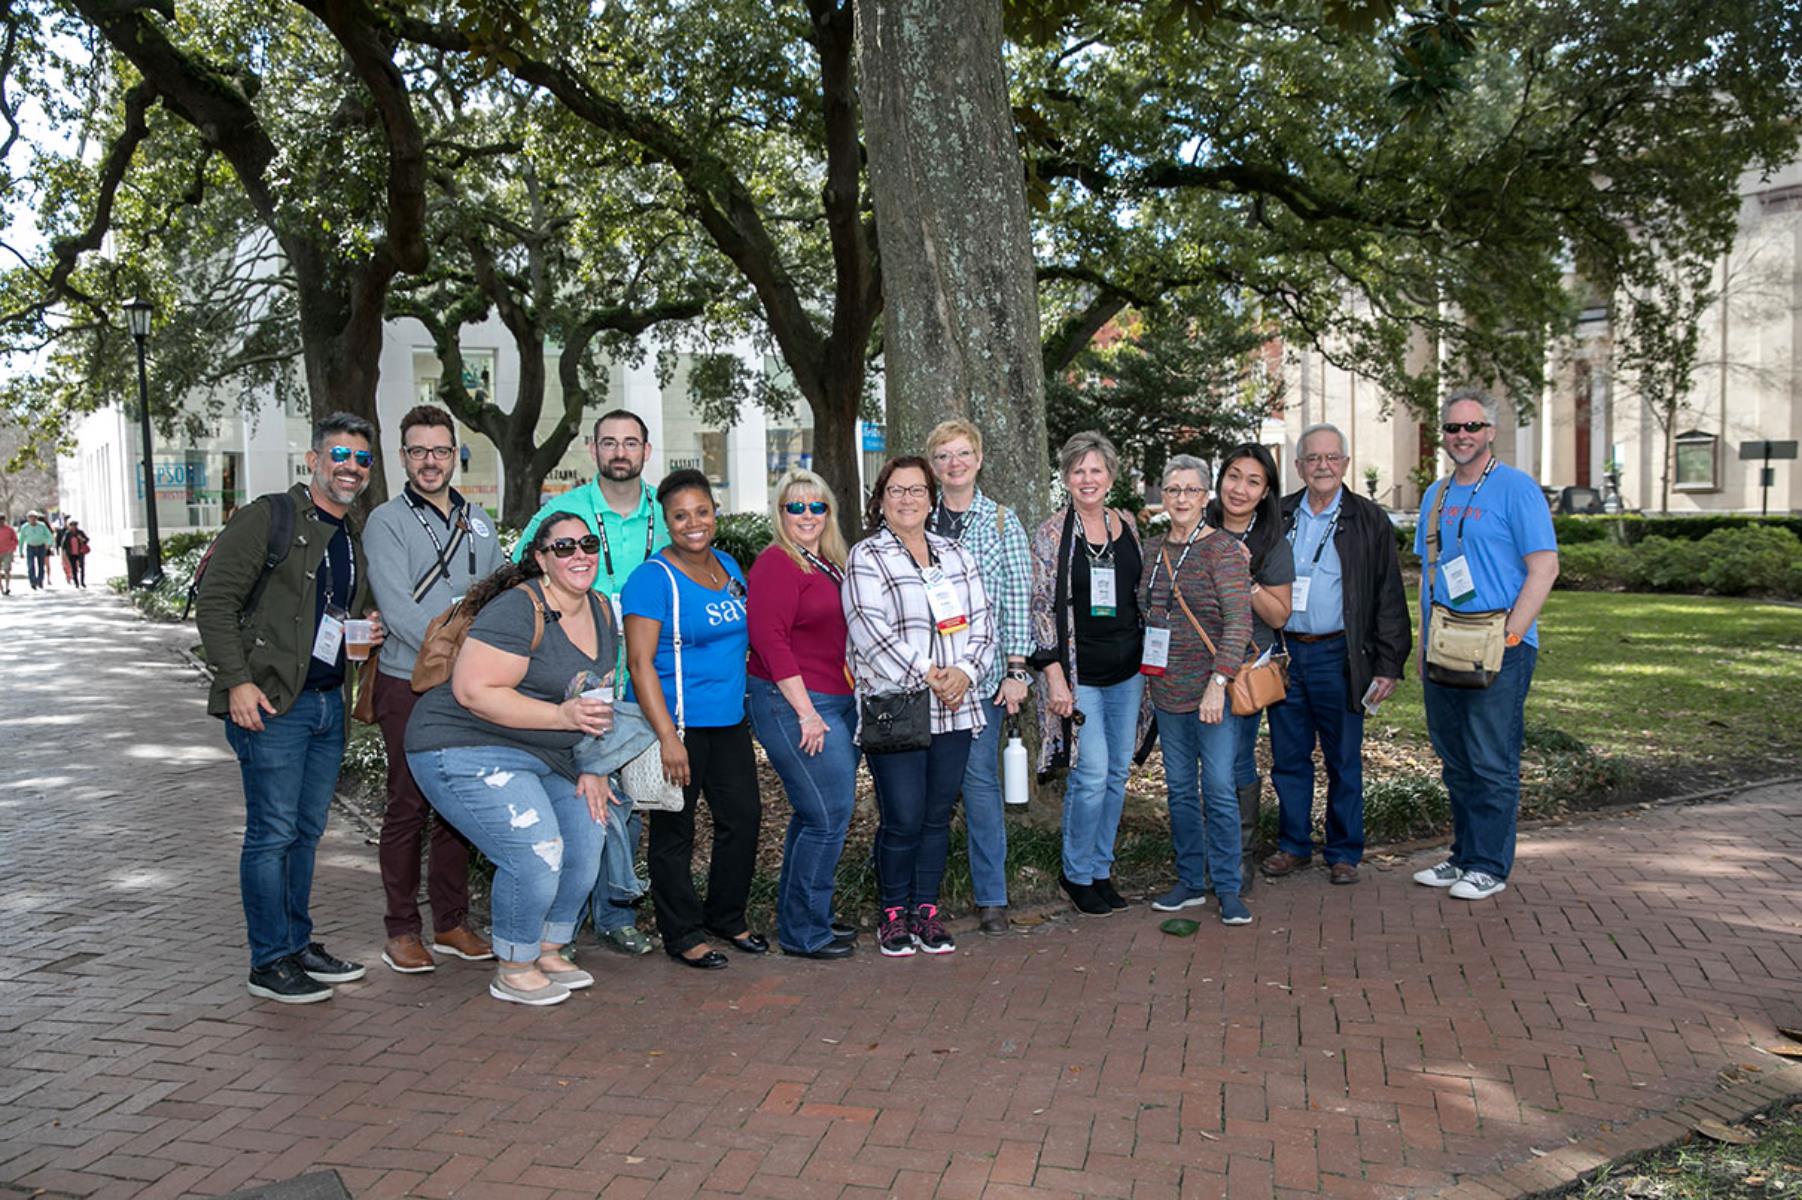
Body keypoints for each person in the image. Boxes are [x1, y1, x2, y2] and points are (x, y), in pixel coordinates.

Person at [195, 412, 386, 1004]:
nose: (351, 468)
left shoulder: (350, 534)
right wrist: (236, 683)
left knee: (306, 833)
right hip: (272, 704)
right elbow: (215, 601)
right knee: (271, 834)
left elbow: (325, 613)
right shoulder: (269, 516)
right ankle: (268, 959)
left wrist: (365, 628)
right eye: (340, 456)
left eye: (362, 460)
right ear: (314, 460)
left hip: (328, 703)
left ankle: (297, 944)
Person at [405, 515, 618, 1006]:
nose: (579, 554)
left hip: (547, 750)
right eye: (563, 547)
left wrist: (594, 765)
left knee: (587, 838)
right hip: (463, 743)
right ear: (541, 559)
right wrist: (563, 715)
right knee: (535, 850)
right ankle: (515, 964)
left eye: (587, 543)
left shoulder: (603, 609)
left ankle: (547, 947)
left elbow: (597, 698)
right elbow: (472, 690)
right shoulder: (519, 609)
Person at [517, 409, 668, 957]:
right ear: (592, 448)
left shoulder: (665, 513)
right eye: (610, 443)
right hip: (575, 686)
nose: (620, 452)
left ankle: (614, 913)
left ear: (647, 451)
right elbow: (524, 582)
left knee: (626, 806)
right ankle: (565, 919)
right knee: (579, 799)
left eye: (631, 443)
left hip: (645, 682)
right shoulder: (564, 513)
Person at [363, 405, 503, 974]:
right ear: (403, 458)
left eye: (440, 450)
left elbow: (499, 591)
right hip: (410, 681)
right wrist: (465, 650)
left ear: (455, 454)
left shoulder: (481, 520)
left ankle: (450, 921)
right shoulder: (385, 522)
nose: (430, 461)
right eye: (418, 451)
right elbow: (398, 610)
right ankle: (401, 928)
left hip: (469, 686)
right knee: (408, 805)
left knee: (458, 807)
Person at [1412, 389, 1559, 901]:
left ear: (1490, 432)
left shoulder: (1517, 490)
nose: (1462, 436)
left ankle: (1490, 866)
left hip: (1500, 643)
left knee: (1491, 759)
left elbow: (1545, 568)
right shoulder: (1436, 495)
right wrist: (1423, 638)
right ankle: (1462, 856)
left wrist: (1512, 635)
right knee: (1455, 757)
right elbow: (1430, 573)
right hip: (1446, 642)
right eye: (1453, 428)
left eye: (1472, 427)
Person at [845, 456, 995, 957]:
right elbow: (868, 630)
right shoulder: (867, 556)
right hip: (899, 708)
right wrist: (931, 674)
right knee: (903, 817)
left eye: (916, 490)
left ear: (931, 498)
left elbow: (983, 625)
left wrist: (965, 675)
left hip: (955, 705)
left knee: (935, 816)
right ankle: (892, 914)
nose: (907, 499)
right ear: (881, 499)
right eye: (896, 491)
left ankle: (925, 912)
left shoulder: (958, 556)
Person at [1261, 424, 1412, 886]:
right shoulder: (1278, 515)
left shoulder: (1368, 520)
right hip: (1286, 656)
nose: (1322, 466)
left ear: (1345, 463)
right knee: (1288, 758)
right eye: (1312, 458)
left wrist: (1388, 664)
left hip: (1340, 655)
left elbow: (1389, 596)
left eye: (1331, 458)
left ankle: (1344, 851)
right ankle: (1293, 846)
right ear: (1299, 466)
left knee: (1343, 759)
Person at [623, 469, 761, 971]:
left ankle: (725, 916)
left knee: (742, 820)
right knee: (673, 832)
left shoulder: (727, 567)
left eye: (702, 511)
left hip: (729, 721)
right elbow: (639, 664)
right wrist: (666, 738)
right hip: (678, 726)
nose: (693, 523)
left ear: (715, 514)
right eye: (680, 515)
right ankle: (681, 933)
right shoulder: (651, 580)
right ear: (666, 522)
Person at [1029, 431, 1146, 918]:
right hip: (1079, 677)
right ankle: (1076, 873)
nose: (1087, 478)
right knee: (1091, 772)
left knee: (1117, 773)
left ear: (1111, 476)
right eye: (1078, 470)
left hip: (1129, 672)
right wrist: (1054, 676)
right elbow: (1039, 607)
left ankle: (1101, 868)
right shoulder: (1052, 534)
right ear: (1066, 477)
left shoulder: (1128, 525)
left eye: (1096, 470)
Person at [924, 420, 1033, 936]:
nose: (954, 463)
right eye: (943, 455)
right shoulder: (914, 519)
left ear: (980, 458)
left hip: (981, 678)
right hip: (922, 679)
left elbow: (1017, 598)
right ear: (932, 465)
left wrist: (1017, 671)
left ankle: (992, 896)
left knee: (980, 785)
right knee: (923, 789)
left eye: (963, 453)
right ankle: (920, 897)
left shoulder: (1001, 523)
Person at [1139, 456, 1257, 925]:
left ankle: (1228, 887)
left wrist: (1219, 683)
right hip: (1166, 689)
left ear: (1206, 496)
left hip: (1214, 693)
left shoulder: (1223, 551)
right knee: (1181, 790)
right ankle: (1190, 880)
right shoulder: (1152, 550)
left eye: (1190, 490)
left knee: (1220, 789)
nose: (1181, 499)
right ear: (1163, 497)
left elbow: (1238, 622)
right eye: (1172, 490)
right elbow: (1147, 612)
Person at [747, 470, 858, 960]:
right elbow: (769, 641)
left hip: (835, 698)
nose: (808, 515)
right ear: (780, 514)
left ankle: (804, 916)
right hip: (791, 701)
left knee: (814, 814)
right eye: (796, 507)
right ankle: (803, 933)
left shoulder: (830, 562)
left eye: (817, 506)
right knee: (829, 816)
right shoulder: (776, 563)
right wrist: (807, 713)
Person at [1205, 444, 1294, 890]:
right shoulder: (1197, 525)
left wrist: (1248, 577)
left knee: (1234, 763)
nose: (1239, 488)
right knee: (1199, 766)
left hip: (1241, 674)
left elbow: (1280, 616)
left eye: (1253, 481)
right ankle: (1207, 855)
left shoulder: (1271, 543)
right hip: (1190, 668)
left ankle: (1238, 859)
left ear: (1265, 493)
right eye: (1234, 476)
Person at [19, 511, 53, 591]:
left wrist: (48, 544)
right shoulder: (25, 527)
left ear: (36, 518)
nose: (32, 519)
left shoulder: (42, 526)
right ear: (28, 519)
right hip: (30, 547)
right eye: (30, 517)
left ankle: (40, 580)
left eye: (34, 517)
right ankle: (33, 582)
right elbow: (21, 539)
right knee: (31, 565)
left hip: (41, 547)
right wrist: (20, 551)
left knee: (41, 565)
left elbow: (49, 535)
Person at [60, 520, 90, 588]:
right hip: (71, 553)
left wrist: (82, 539)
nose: (73, 527)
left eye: (75, 525)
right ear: (69, 526)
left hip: (80, 552)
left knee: (82, 567)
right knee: (74, 568)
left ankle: (82, 582)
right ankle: (76, 583)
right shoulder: (67, 534)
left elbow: (87, 539)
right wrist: (63, 553)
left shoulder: (80, 532)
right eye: (72, 525)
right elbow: (63, 544)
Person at [0, 515, 17, 595]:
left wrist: (12, 548)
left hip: (7, 552)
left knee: (7, 570)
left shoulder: (9, 529)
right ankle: (1, 588)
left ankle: (7, 587)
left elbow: (15, 540)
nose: (1, 521)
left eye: (2, 519)